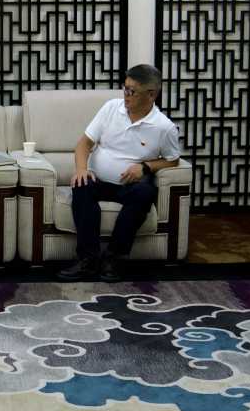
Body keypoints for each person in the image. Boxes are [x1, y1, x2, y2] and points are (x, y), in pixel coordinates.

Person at [57, 64, 182, 282]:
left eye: (132, 91)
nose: (126, 95)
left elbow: (173, 160)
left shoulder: (164, 127)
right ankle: (88, 259)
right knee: (81, 185)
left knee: (145, 193)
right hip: (98, 180)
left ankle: (114, 258)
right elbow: (84, 144)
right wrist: (81, 169)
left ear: (151, 94)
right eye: (125, 88)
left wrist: (145, 167)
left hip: (130, 186)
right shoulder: (111, 108)